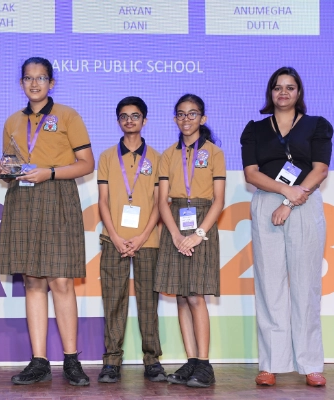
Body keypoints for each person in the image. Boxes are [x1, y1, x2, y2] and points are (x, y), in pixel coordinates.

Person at [0, 57, 94, 386]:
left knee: (61, 281)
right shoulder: (12, 121)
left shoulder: (67, 115)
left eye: (41, 78)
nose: (34, 84)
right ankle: (39, 361)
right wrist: (4, 170)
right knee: (33, 281)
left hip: (57, 196)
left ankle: (71, 360)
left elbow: (86, 164)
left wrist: (49, 172)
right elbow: (12, 169)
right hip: (22, 200)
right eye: (28, 78)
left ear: (51, 83)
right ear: (21, 83)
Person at [240, 66, 333, 387]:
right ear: (270, 92)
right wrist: (284, 192)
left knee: (306, 285)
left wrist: (293, 199)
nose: (283, 92)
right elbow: (251, 173)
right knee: (270, 285)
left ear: (298, 92)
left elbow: (320, 169)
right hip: (268, 201)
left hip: (305, 201)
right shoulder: (255, 129)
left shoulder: (317, 125)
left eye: (290, 87)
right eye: (278, 87)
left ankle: (310, 364)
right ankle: (271, 364)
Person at [154, 94, 226, 388]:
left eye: (192, 114)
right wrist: (175, 235)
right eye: (181, 114)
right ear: (175, 119)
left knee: (196, 295)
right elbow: (162, 201)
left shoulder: (214, 153)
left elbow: (219, 200)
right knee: (181, 296)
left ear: (202, 118)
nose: (186, 119)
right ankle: (192, 360)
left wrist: (198, 235)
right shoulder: (167, 155)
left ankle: (205, 364)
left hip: (203, 223)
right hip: (175, 224)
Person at [96, 96, 165, 383]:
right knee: (113, 301)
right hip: (113, 240)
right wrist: (114, 236)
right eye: (124, 116)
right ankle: (111, 361)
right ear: (118, 121)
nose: (129, 120)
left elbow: (161, 203)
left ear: (144, 120)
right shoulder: (107, 157)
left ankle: (153, 361)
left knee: (148, 302)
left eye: (135, 116)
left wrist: (142, 236)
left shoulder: (158, 158)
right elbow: (102, 201)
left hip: (147, 241)